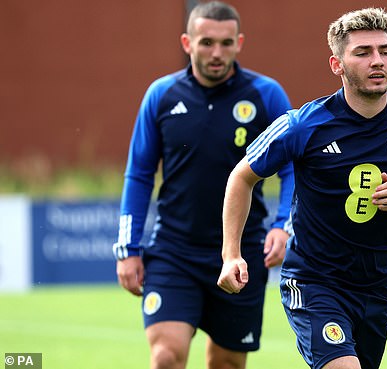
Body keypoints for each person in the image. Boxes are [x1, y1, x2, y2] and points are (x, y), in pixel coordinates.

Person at [217, 7, 387, 369]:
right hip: (313, 282)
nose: (378, 61)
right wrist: (231, 253)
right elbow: (242, 176)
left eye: (384, 51)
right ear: (336, 64)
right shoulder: (302, 126)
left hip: (377, 288)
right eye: (363, 52)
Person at [112, 2, 294, 369]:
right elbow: (139, 173)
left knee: (226, 364)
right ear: (187, 42)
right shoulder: (161, 95)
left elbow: (292, 169)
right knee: (166, 357)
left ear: (239, 42)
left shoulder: (267, 95)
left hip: (242, 253)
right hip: (173, 251)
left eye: (226, 43)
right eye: (207, 42)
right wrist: (128, 248)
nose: (217, 53)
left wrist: (282, 225)